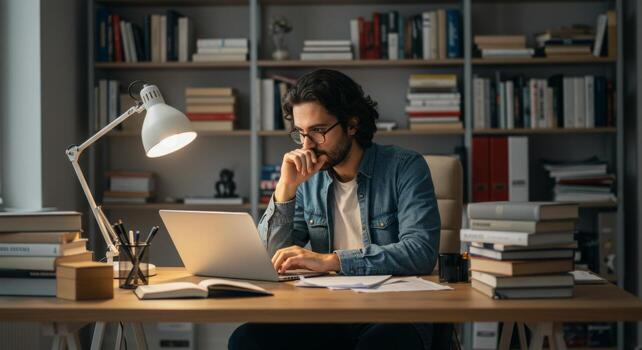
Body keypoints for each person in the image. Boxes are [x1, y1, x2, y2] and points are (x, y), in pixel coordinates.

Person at [229, 69, 441, 350]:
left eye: (318, 131)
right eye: (300, 134)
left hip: (393, 314)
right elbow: (267, 259)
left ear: (352, 124)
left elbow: (421, 252)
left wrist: (332, 261)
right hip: (326, 313)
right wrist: (285, 189)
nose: (307, 146)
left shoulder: (405, 167)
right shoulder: (308, 180)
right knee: (246, 339)